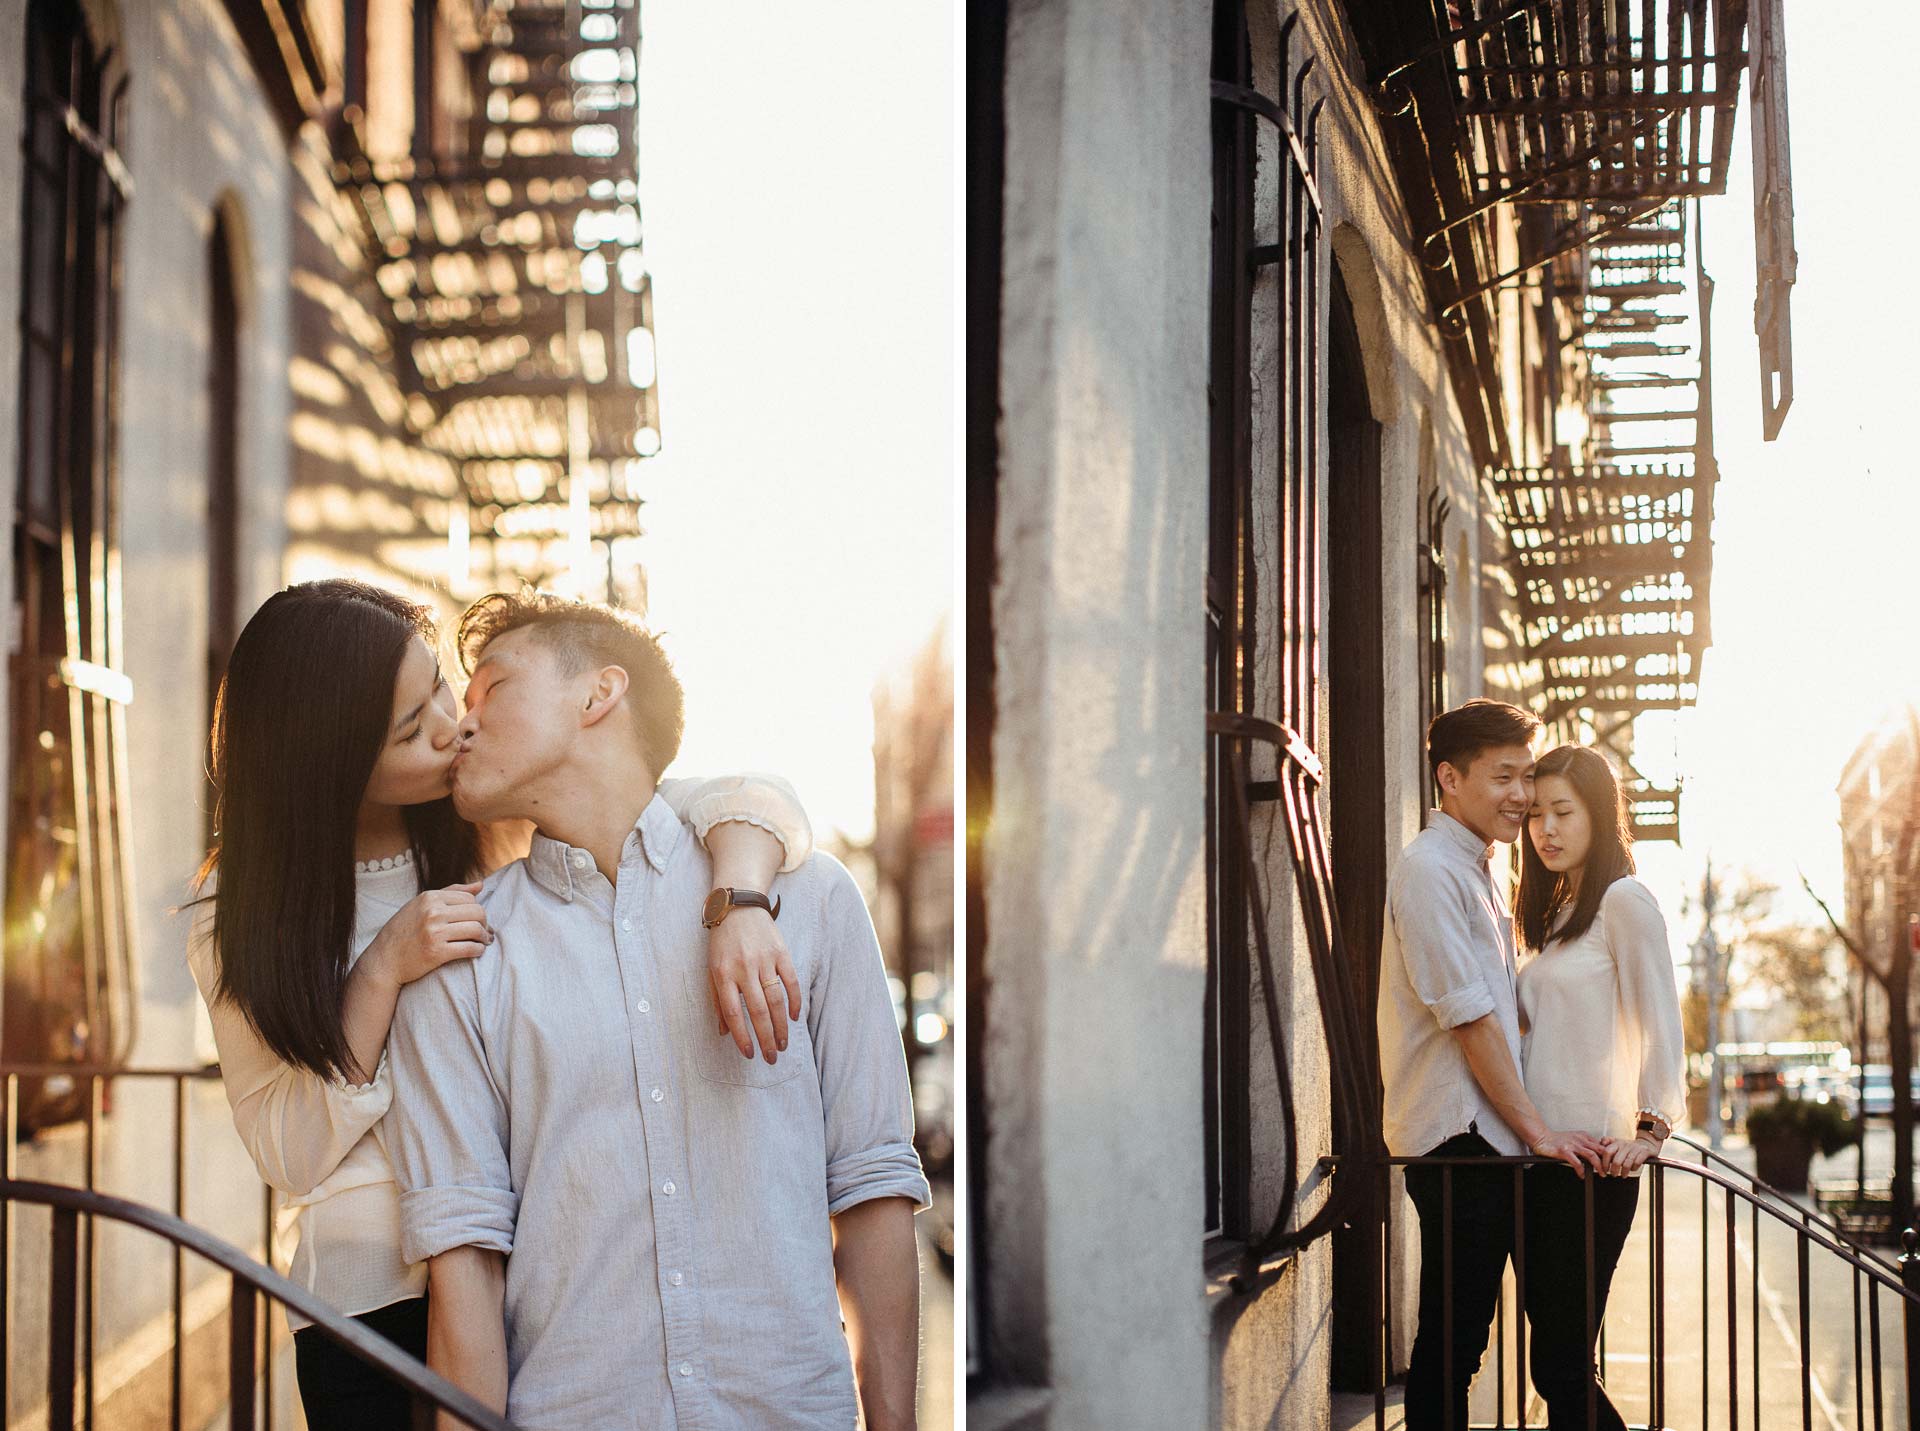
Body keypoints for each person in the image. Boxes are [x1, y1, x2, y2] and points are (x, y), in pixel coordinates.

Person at [188, 579, 814, 1431]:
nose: (452, 724)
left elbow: (707, 800)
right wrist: (380, 970)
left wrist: (740, 897)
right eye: (412, 728)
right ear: (330, 764)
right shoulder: (238, 912)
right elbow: (292, 1155)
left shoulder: (480, 819)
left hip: (521, 1277)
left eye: (438, 686)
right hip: (371, 1309)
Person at [386, 592, 928, 1431]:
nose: (461, 722)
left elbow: (873, 1187)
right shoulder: (456, 959)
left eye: (491, 687)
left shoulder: (808, 900)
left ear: (598, 695)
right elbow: (466, 1275)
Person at [1376, 699, 1607, 1431]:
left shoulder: (1482, 868)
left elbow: (1507, 1016)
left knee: (1516, 1344)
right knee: (1453, 1343)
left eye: (1527, 776)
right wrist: (1537, 1130)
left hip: (1492, 1141)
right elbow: (1470, 1018)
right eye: (1504, 776)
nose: (1521, 794)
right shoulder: (1428, 869)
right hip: (1457, 1141)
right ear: (1450, 777)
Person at [1515, 743, 1686, 1430]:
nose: (1546, 829)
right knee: (1557, 1367)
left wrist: (1652, 1131)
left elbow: (1660, 1017)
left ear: (1599, 814)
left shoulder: (1625, 899)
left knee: (1558, 1365)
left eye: (1563, 811)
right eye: (1535, 815)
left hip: (1595, 1166)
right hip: (1540, 1159)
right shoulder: (1555, 915)